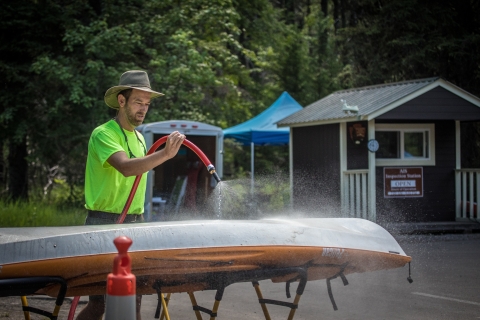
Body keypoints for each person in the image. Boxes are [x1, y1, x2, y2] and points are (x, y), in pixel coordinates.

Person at [78, 70, 185, 320]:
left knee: (133, 299)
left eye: (147, 104)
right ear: (121, 101)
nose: (144, 109)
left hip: (134, 223)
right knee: (100, 303)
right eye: (138, 102)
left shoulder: (138, 137)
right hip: (103, 223)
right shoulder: (104, 133)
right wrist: (165, 155)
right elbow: (126, 167)